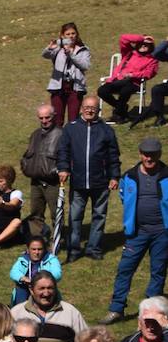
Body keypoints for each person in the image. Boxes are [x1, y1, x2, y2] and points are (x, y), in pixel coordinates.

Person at [103, 137, 167, 323]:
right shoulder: (130, 176)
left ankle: (152, 310)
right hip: (136, 232)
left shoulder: (167, 175)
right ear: (140, 154)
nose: (149, 158)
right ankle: (116, 309)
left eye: (153, 155)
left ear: (159, 154)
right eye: (146, 154)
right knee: (125, 269)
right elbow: (124, 197)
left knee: (158, 270)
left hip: (162, 233)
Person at [57, 98, 120, 262]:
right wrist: (63, 168)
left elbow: (113, 155)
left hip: (101, 182)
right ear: (81, 109)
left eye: (93, 108)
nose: (89, 110)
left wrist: (114, 176)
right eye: (86, 107)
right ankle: (74, 250)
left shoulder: (106, 130)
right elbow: (63, 151)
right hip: (78, 182)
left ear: (98, 110)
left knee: (99, 216)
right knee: (75, 217)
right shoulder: (71, 128)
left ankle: (94, 248)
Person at [98, 33, 160, 122]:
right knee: (102, 91)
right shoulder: (129, 53)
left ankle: (118, 115)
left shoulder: (152, 60)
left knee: (124, 91)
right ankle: (123, 110)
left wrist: (133, 75)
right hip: (117, 80)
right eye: (141, 43)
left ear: (151, 47)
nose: (143, 45)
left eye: (146, 44)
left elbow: (149, 74)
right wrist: (142, 38)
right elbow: (123, 38)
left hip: (133, 82)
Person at [42, 24, 91, 127]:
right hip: (59, 86)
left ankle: (72, 141)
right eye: (68, 34)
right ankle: (57, 141)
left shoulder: (83, 49)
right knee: (57, 119)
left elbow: (85, 65)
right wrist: (49, 48)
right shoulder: (58, 48)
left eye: (73, 33)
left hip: (75, 87)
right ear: (63, 36)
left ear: (77, 34)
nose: (71, 36)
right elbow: (45, 55)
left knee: (73, 120)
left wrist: (71, 54)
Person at [10, 234, 60, 305]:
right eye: (33, 249)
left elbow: (57, 274)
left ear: (44, 249)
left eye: (40, 249)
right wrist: (23, 278)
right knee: (20, 287)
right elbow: (14, 272)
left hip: (44, 288)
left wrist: (41, 280)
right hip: (25, 289)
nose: (36, 252)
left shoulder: (51, 259)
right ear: (28, 250)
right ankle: (19, 310)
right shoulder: (22, 260)